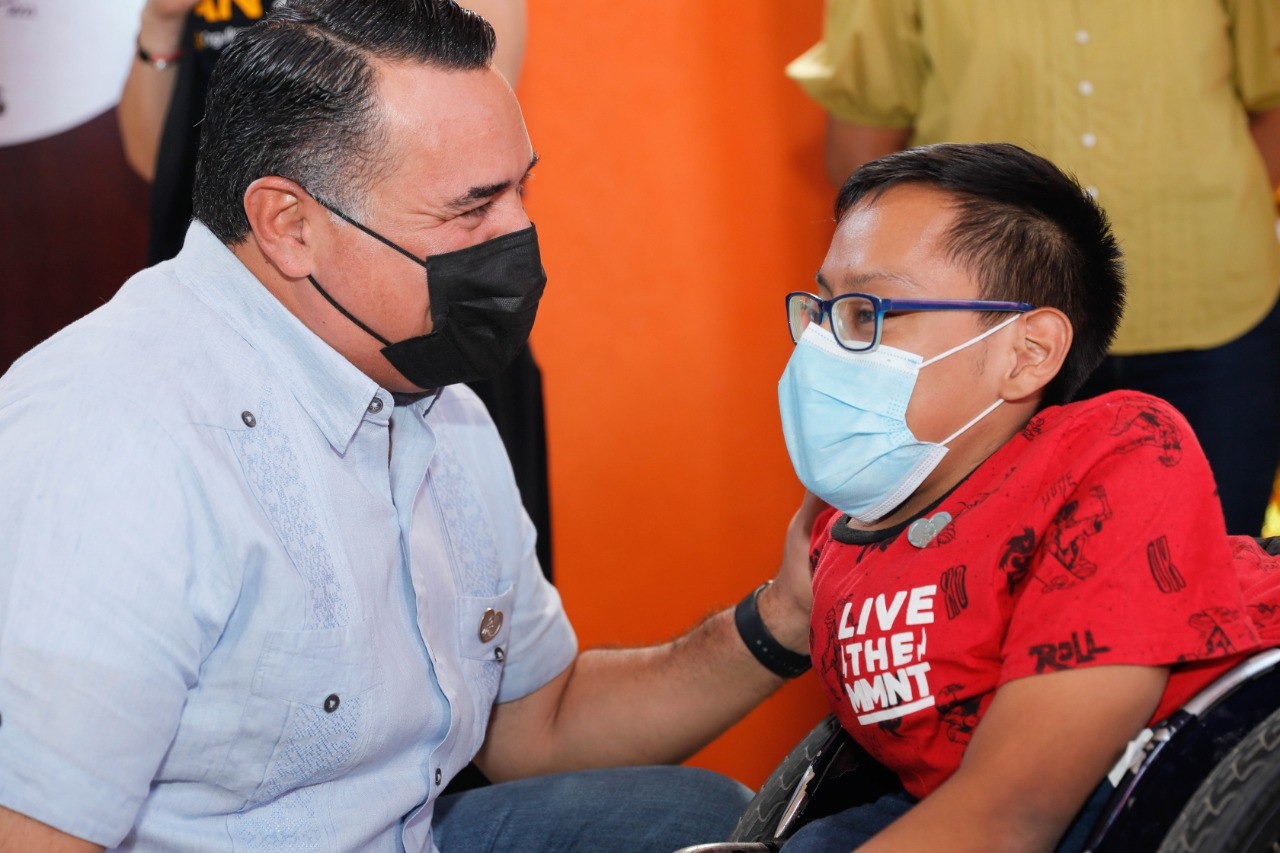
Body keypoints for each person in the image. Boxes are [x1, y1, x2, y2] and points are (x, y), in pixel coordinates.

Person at [0, 2, 820, 849]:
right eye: (473, 208)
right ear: (290, 226)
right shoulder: (113, 442)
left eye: (521, 189)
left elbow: (539, 722)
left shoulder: (434, 394)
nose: (520, 235)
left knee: (704, 819)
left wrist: (781, 618)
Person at [773, 142, 1280, 850]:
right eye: (824, 307)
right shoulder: (838, 531)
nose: (822, 347)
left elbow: (1011, 815)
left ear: (1028, 352)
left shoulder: (1116, 452)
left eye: (868, 312)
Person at [786, 0, 1280, 536]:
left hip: (1218, 306)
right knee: (983, 562)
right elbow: (864, 153)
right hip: (990, 341)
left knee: (1217, 556)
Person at [118, 0, 555, 580]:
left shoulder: (459, 413)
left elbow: (466, 138)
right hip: (241, 320)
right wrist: (163, 23)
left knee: (468, 588)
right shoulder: (134, 428)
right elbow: (159, 160)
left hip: (424, 326)